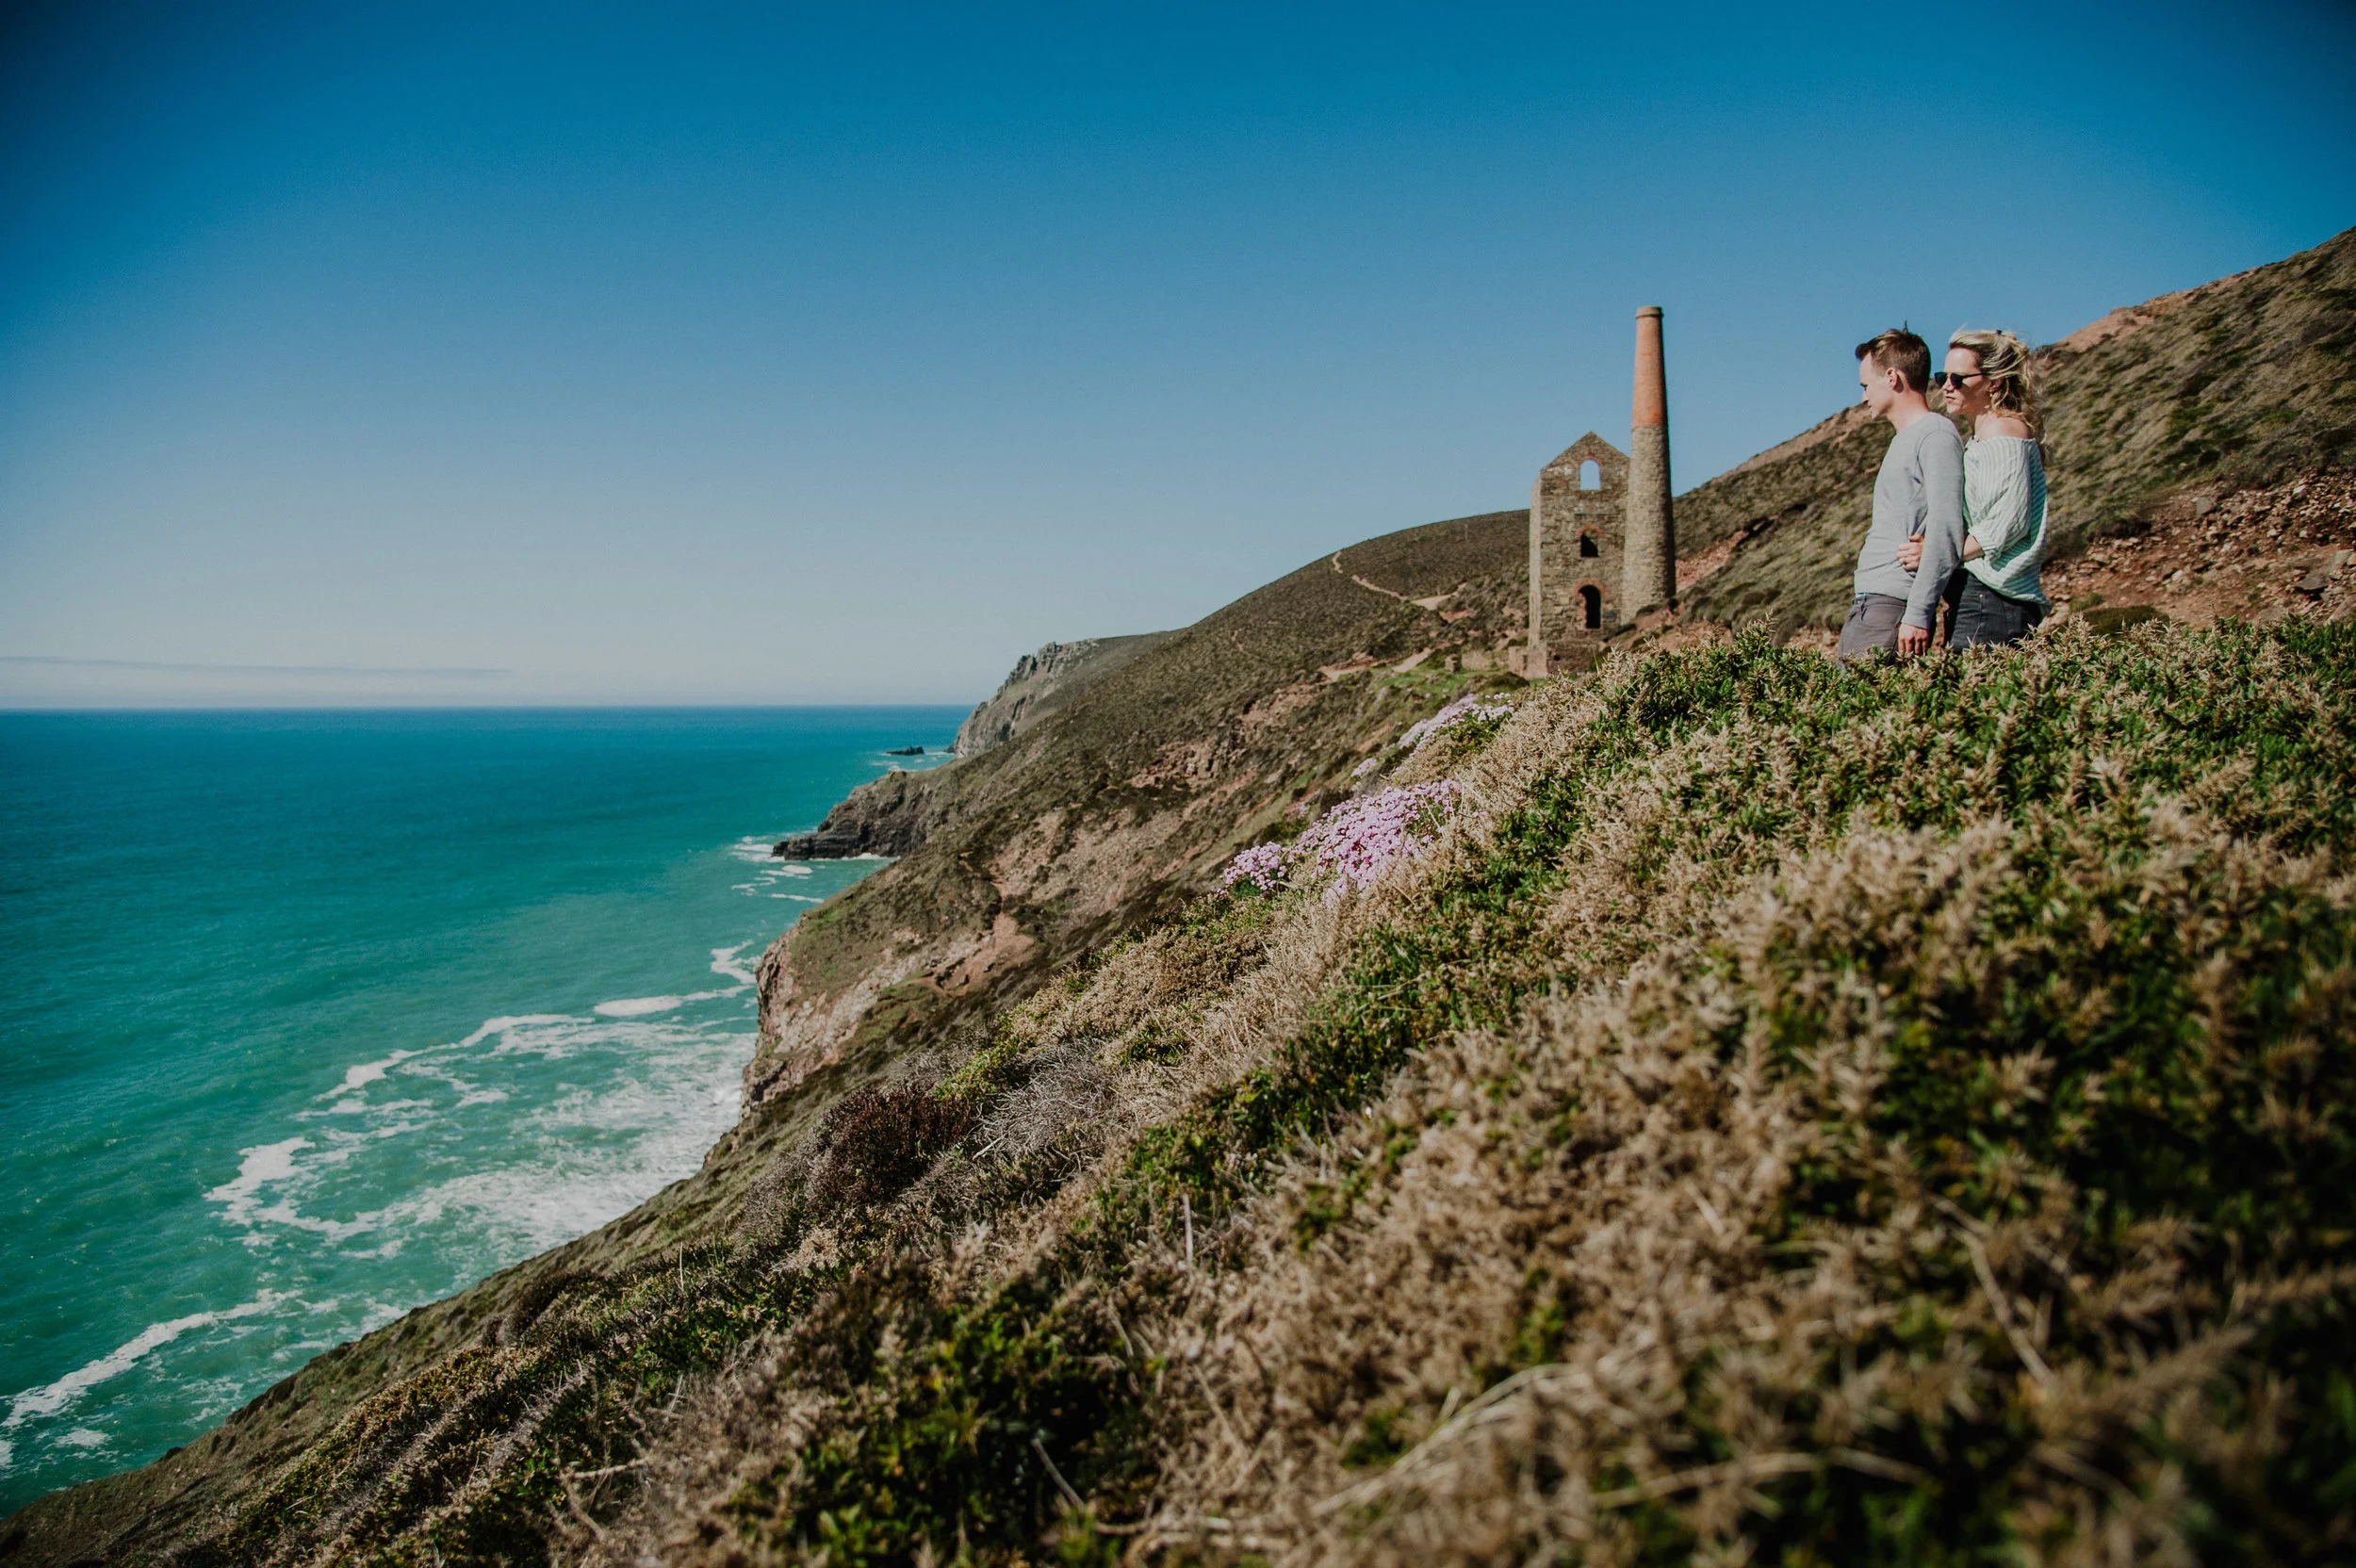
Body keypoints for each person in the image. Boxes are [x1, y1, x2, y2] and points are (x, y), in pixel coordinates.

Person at [1898, 330, 2050, 645]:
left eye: (1958, 379)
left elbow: (2006, 525)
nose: (1947, 387)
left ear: (1993, 383)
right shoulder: (1983, 438)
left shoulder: (2003, 432)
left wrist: (1936, 551)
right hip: (1982, 596)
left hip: (1994, 598)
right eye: (1942, 377)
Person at [1838, 328, 1965, 663]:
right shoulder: (1905, 439)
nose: (1863, 397)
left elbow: (1947, 527)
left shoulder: (1935, 434)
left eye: (1866, 385)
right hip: (1874, 603)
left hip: (1892, 605)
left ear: (1892, 377)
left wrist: (1918, 613)